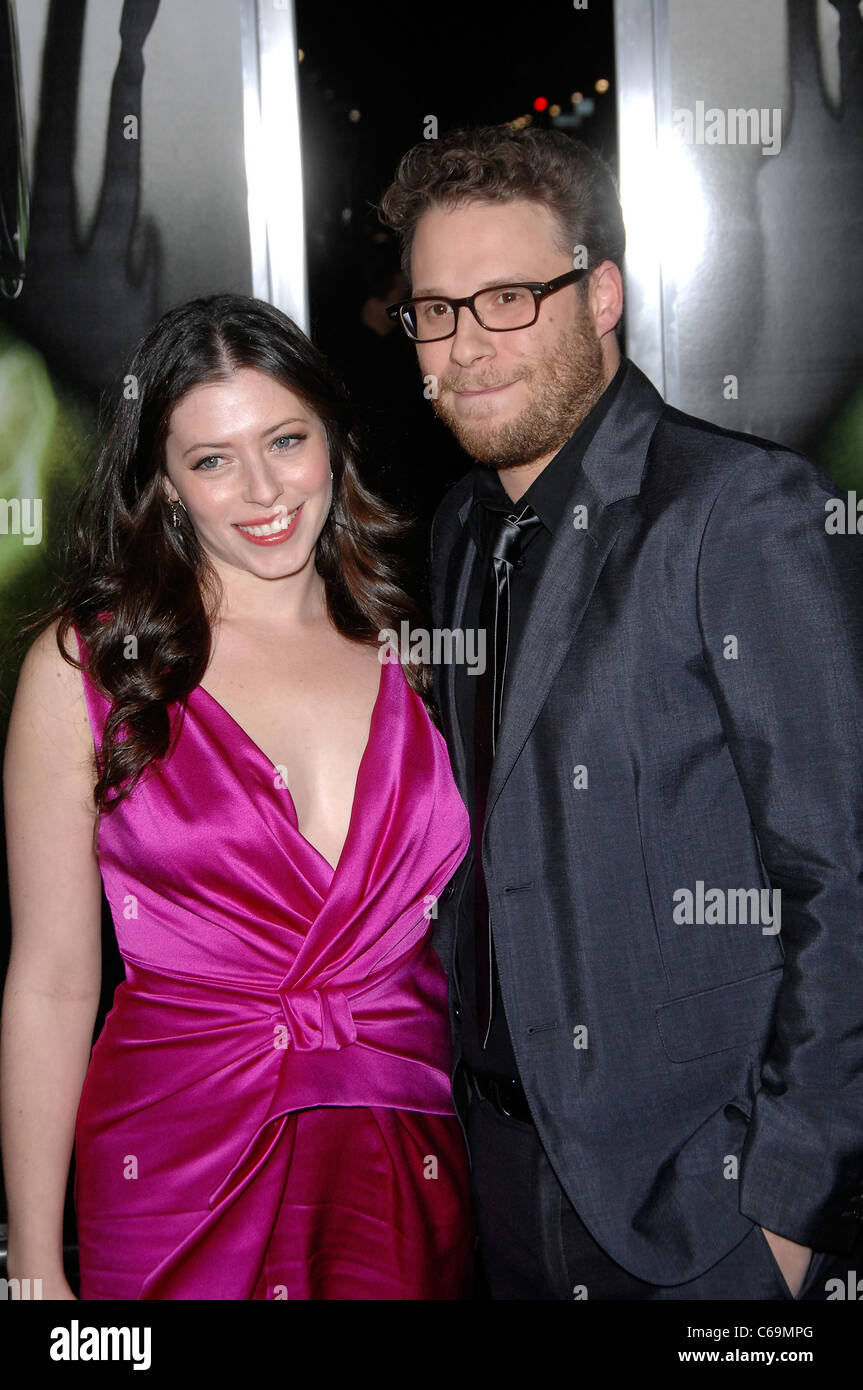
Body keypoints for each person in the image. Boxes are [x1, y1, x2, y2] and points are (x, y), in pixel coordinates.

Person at [378, 125, 863, 1300]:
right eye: (435, 312)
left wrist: (781, 1209)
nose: (468, 346)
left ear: (598, 296)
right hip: (497, 1179)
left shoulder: (736, 509)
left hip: (698, 1206)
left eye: (507, 297)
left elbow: (840, 872)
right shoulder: (455, 531)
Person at [0, 294, 473, 1300]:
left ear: (333, 440)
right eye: (211, 459)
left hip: (402, 1148)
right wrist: (36, 1264)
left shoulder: (423, 645)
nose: (260, 488)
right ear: (166, 485)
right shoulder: (88, 665)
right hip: (174, 1164)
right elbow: (50, 981)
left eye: (285, 440)